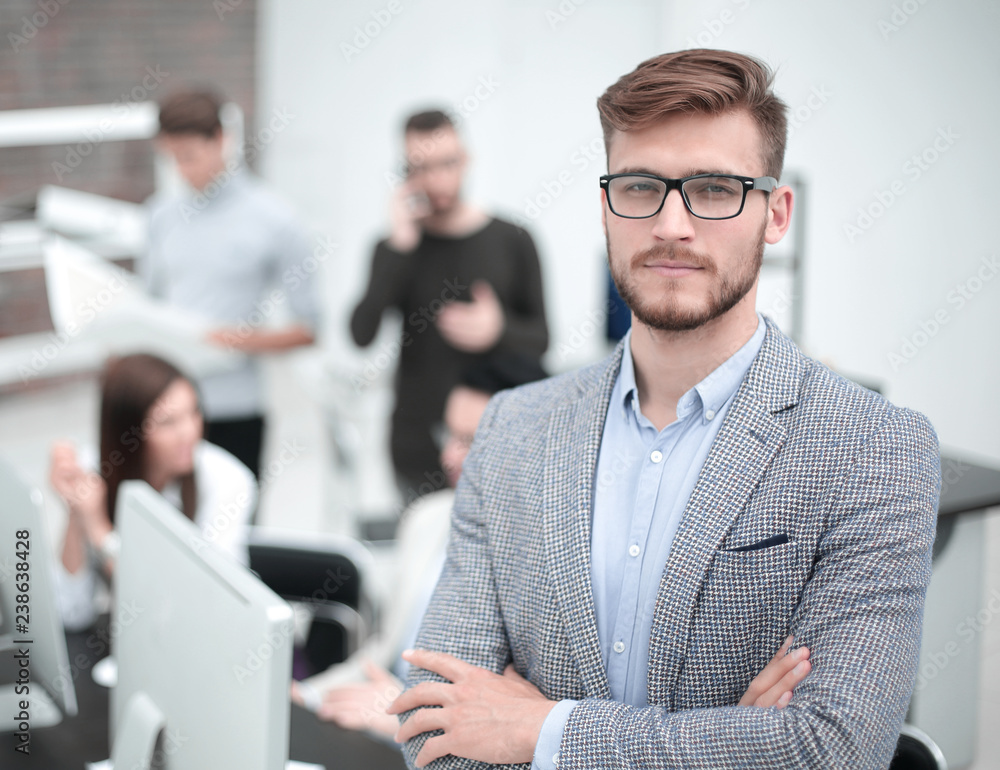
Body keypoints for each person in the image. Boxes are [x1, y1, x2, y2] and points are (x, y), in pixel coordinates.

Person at [388, 50, 940, 769]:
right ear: (606, 206)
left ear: (775, 213)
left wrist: (543, 730)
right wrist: (725, 744)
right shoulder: (513, 429)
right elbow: (435, 730)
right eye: (642, 186)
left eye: (714, 189)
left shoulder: (876, 448)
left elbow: (832, 748)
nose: (672, 224)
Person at [293, 353, 549, 742]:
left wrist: (401, 715)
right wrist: (306, 696)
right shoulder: (428, 518)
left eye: (470, 441)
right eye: (449, 435)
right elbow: (382, 658)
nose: (448, 456)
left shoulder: (545, 557)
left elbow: (513, 718)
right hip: (375, 721)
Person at [350, 109, 549, 502]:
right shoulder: (395, 248)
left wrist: (499, 330)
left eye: (447, 163)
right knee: (425, 556)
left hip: (497, 446)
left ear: (466, 160)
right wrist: (400, 246)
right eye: (420, 167)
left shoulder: (513, 240)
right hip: (416, 448)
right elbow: (360, 334)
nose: (437, 178)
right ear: (405, 173)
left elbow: (542, 340)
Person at [145, 89, 320, 480]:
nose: (182, 169)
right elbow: (148, 305)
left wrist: (232, 340)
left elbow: (309, 329)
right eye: (173, 158)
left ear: (221, 140)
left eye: (190, 156)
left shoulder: (274, 219)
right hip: (164, 410)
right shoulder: (160, 217)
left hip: (235, 409)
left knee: (232, 532)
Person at [50, 353, 256, 631]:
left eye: (194, 412)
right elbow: (71, 612)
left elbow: (197, 604)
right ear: (129, 431)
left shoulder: (227, 480)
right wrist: (75, 512)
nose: (189, 432)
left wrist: (101, 533)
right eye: (168, 423)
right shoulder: (94, 471)